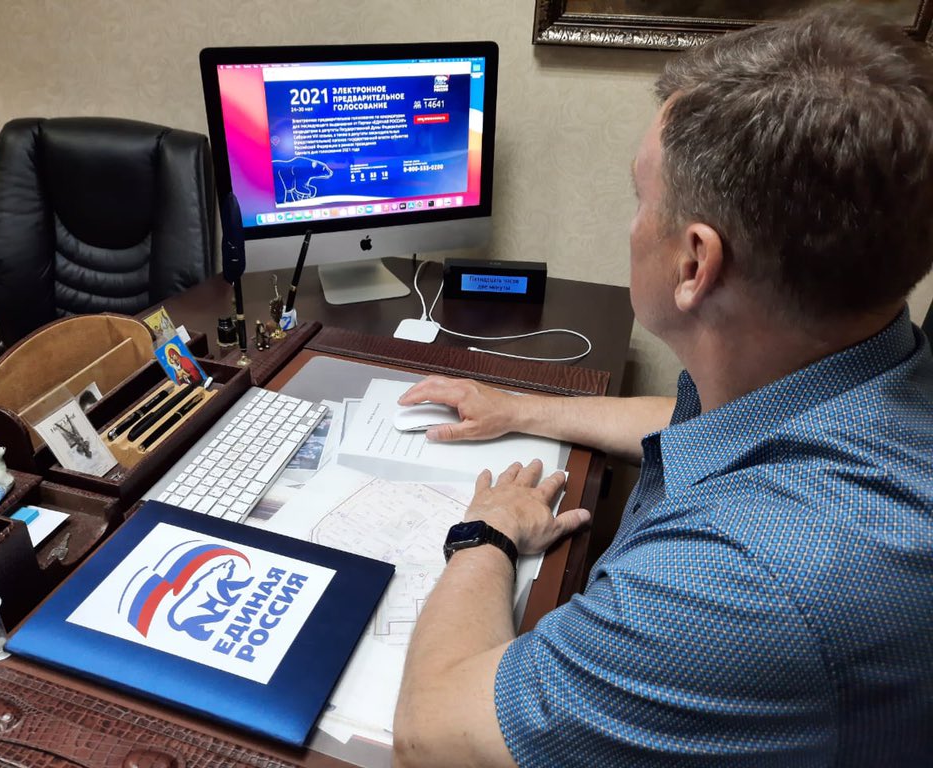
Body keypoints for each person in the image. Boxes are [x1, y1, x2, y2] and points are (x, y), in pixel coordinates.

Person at [392, 7, 933, 767]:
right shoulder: (872, 365)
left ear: (694, 264)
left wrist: (487, 535)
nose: (633, 223)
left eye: (640, 197)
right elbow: (706, 424)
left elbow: (429, 733)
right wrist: (518, 407)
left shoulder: (741, 580)